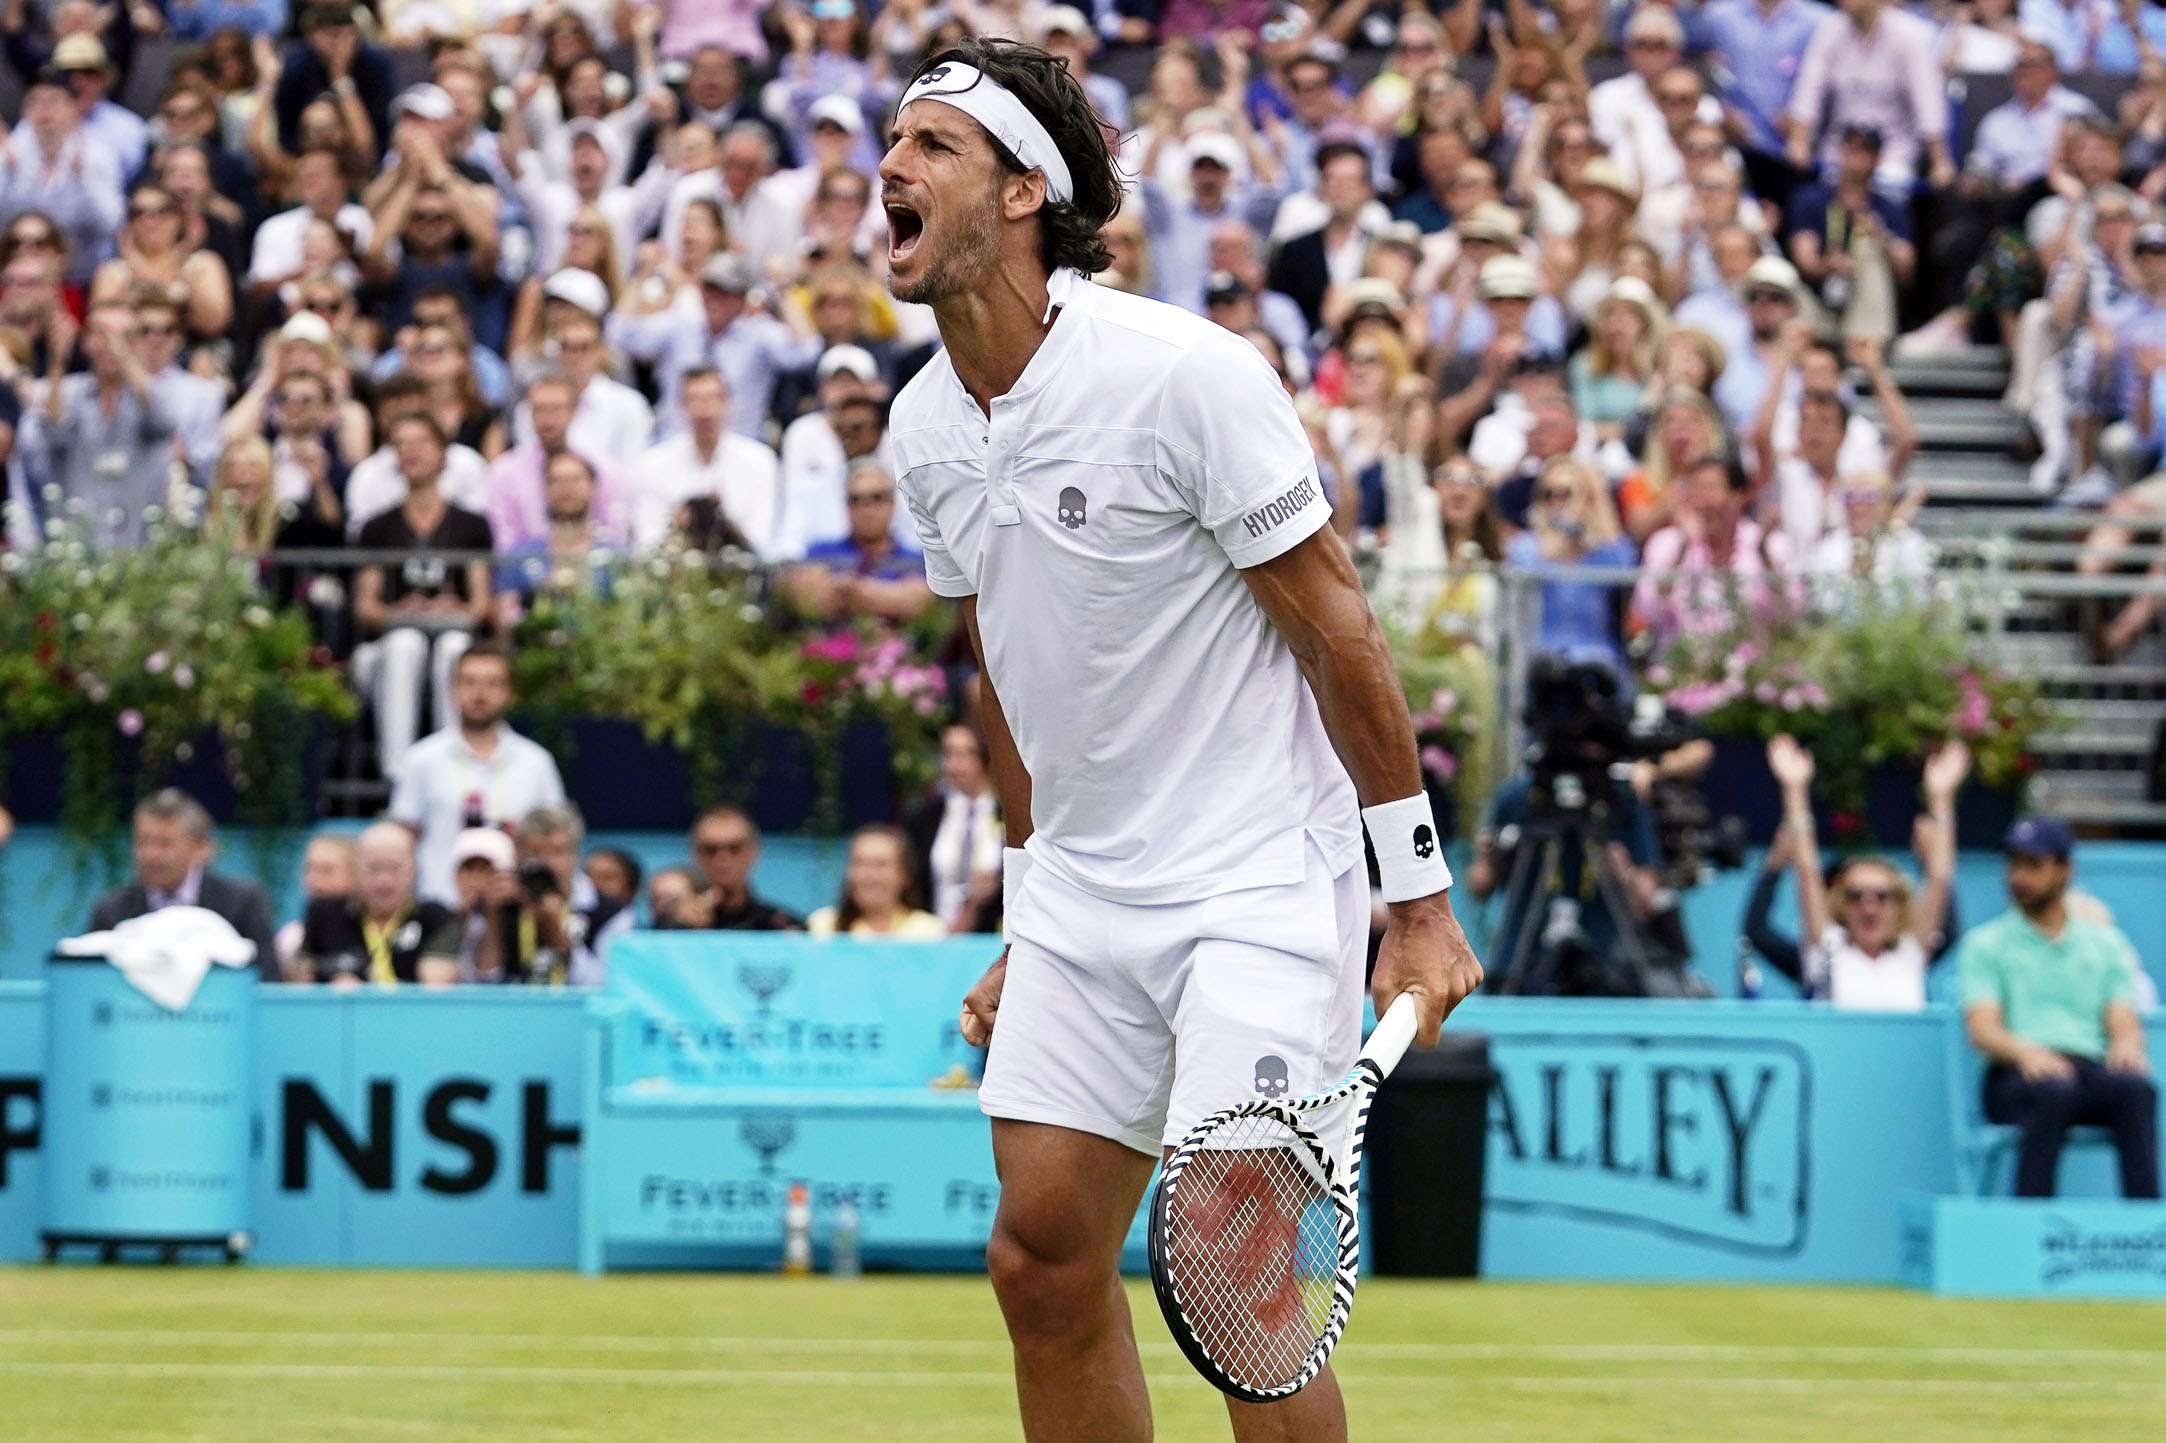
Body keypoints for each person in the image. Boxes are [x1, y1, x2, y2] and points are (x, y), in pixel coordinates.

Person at [880, 40, 1480, 1443]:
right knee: (1037, 1257)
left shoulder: (1183, 374)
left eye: (930, 147)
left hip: (1258, 872)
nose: (888, 170)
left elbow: (1341, 631)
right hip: (1085, 890)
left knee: (1230, 1282)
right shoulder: (919, 427)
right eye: (889, 145)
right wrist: (1030, 903)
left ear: (1025, 189)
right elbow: (1005, 672)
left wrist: (1420, 897)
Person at [1961, 817, 2158, 1199]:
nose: (2018, 876)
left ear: (2065, 870)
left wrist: (2127, 1045)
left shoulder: (2106, 943)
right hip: (2014, 1078)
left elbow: (2121, 1019)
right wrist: (2027, 1052)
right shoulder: (1986, 943)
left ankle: (2147, 1233)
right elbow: (1983, 1029)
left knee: (2136, 1090)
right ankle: (2031, 1223)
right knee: (2054, 1089)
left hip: (2085, 1070)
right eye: (2013, 864)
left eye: (2033, 865)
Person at [1761, 733, 1967, 1009]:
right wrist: (1794, 788)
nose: (1869, 906)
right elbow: (1807, 873)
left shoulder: (1911, 952)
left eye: (1882, 896)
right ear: (1840, 904)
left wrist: (1941, 797)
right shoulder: (1827, 950)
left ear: (1899, 904)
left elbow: (1939, 878)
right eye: (1855, 895)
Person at [351, 412, 495, 775]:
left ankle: (454, 768)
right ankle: (397, 775)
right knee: (405, 644)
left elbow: (480, 607)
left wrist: (449, 611)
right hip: (392, 645)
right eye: (401, 444)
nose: (411, 453)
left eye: (421, 443)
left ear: (443, 453)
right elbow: (365, 607)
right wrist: (403, 612)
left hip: (451, 636)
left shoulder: (471, 525)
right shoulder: (377, 527)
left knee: (454, 648)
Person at [387, 642, 567, 906]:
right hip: (440, 906)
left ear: (509, 692)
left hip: (517, 907)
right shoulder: (421, 759)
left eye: (492, 683)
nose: (480, 694)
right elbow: (402, 839)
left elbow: (554, 839)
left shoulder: (536, 762)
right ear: (453, 689)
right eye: (469, 682)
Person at [88, 789, 280, 980]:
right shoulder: (112, 911)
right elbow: (90, 983)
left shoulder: (242, 905)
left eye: (164, 844)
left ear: (201, 847)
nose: (150, 855)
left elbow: (267, 982)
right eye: (142, 842)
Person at [632, 365, 782, 554]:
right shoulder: (652, 464)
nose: (704, 411)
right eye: (694, 400)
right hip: (674, 572)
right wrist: (678, 527)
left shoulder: (759, 461)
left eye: (712, 398)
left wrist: (720, 521)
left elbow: (761, 539)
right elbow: (646, 541)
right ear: (681, 406)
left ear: (729, 403)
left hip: (740, 571)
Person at [292, 822, 461, 988]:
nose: (384, 880)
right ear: (355, 870)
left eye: (394, 868)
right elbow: (299, 979)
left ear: (414, 870)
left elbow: (438, 984)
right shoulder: (324, 915)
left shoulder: (435, 917)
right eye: (373, 868)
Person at [905, 723, 1005, 935]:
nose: (955, 764)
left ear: (986, 758)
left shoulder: (1007, 814)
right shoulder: (922, 818)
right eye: (948, 753)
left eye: (966, 754)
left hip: (992, 938)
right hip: (931, 935)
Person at [665, 804, 803, 930]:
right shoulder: (673, 928)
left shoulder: (778, 926)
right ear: (695, 853)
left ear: (755, 851)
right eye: (710, 849)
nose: (722, 859)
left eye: (735, 848)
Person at [806, 823, 948, 939]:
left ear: (904, 874)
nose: (869, 875)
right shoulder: (823, 927)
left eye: (881, 864)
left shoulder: (929, 931)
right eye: (860, 863)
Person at [276, 832, 356, 973]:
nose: (314, 878)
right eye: (308, 869)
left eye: (326, 870)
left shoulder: (370, 931)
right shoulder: (291, 937)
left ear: (356, 875)